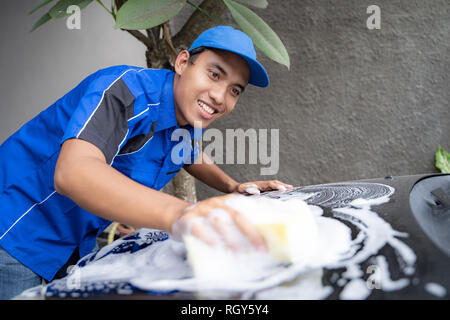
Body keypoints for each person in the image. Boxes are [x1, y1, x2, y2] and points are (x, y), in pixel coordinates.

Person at [0, 26, 293, 299]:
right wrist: (185, 215)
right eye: (214, 74)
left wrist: (232, 186)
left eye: (234, 90)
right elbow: (73, 172)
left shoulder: (186, 117)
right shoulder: (126, 91)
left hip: (74, 243)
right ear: (182, 63)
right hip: (17, 229)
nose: (220, 97)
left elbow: (187, 153)